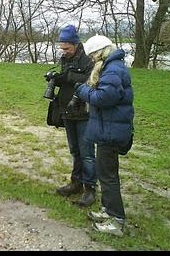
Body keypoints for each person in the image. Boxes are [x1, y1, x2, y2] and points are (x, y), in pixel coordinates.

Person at [74, 34, 134, 236]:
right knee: (105, 173)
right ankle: (108, 211)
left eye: (93, 55)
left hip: (111, 131)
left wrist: (83, 90)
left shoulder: (113, 68)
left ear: (100, 53)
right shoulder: (112, 67)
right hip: (109, 128)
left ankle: (116, 221)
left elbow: (104, 98)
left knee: (108, 177)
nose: (91, 59)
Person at [46, 24, 97, 207]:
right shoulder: (65, 58)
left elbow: (91, 80)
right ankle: (76, 183)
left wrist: (68, 77)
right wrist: (56, 78)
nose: (64, 52)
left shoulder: (89, 58)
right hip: (67, 110)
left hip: (83, 112)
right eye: (62, 48)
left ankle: (90, 189)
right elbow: (67, 78)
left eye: (67, 48)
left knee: (87, 154)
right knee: (75, 151)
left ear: (75, 44)